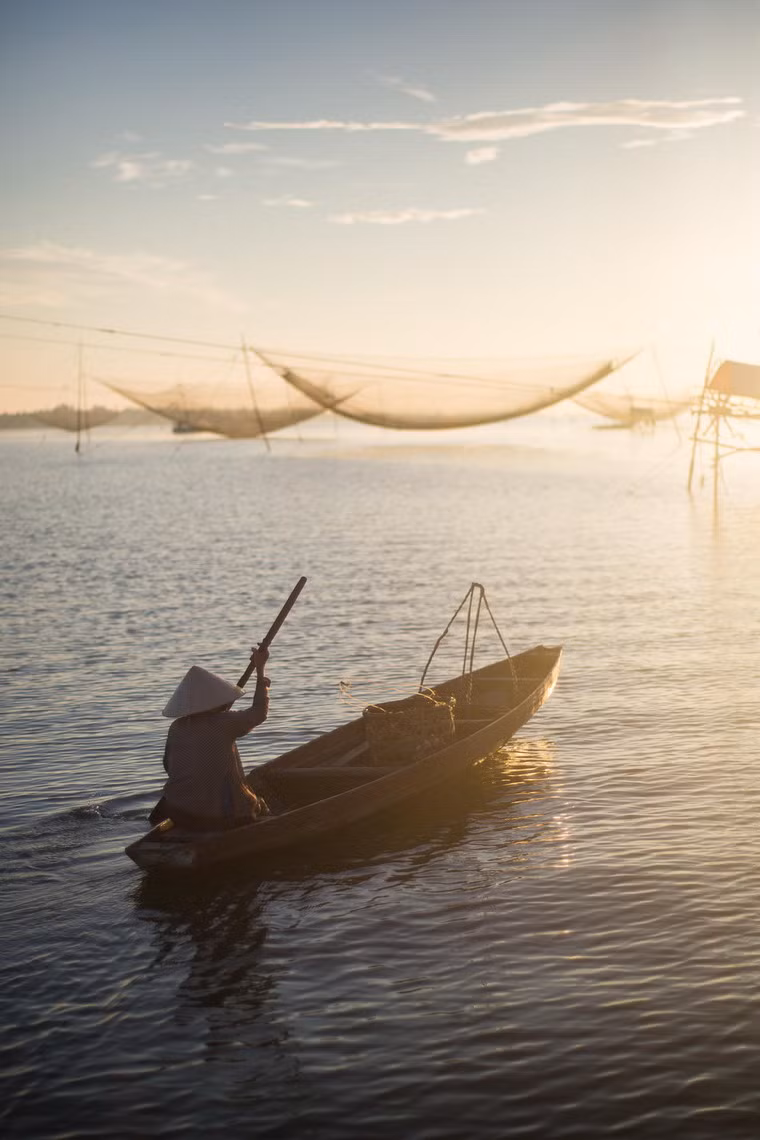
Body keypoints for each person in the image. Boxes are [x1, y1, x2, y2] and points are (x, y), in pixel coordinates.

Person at [157, 646, 272, 831]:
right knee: (259, 805)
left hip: (177, 811)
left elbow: (168, 767)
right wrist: (260, 669)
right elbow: (259, 713)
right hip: (215, 815)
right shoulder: (223, 723)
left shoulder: (176, 727)